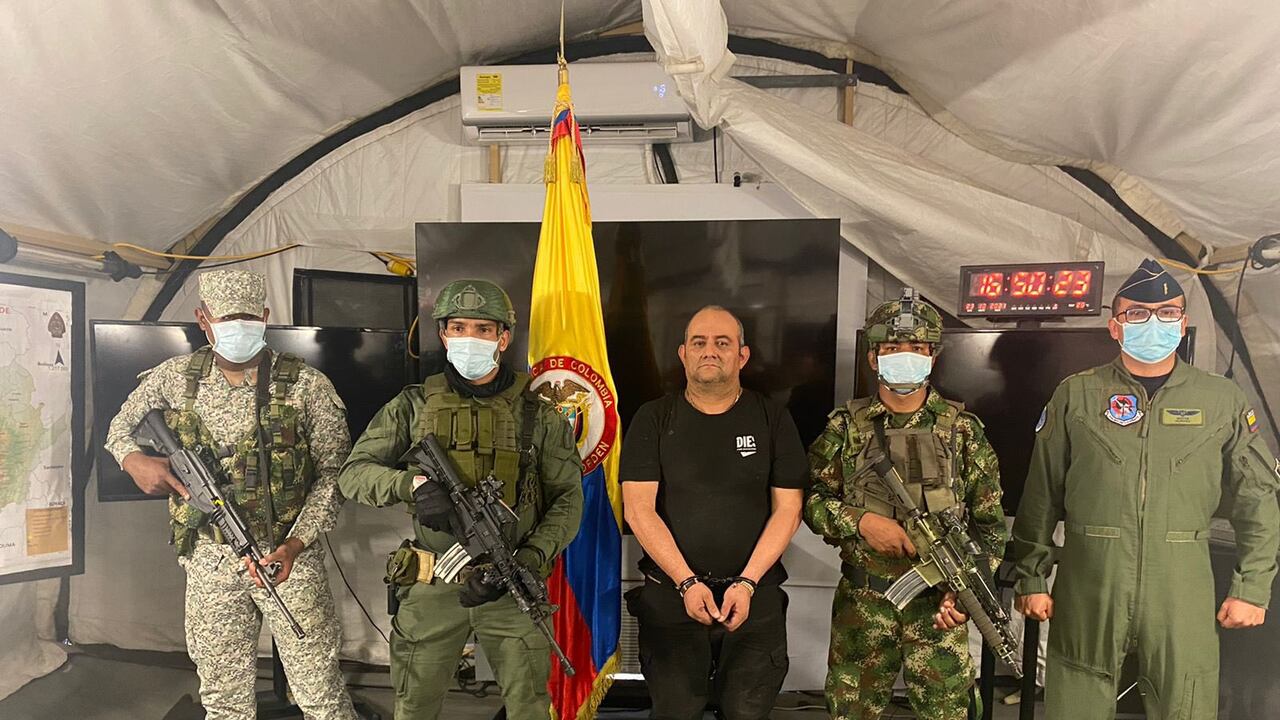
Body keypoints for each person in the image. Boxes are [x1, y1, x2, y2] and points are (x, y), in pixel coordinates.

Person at [1013, 258, 1280, 719]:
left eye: (1167, 312)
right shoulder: (1076, 395)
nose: (1153, 322)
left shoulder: (1221, 400)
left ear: (1182, 322)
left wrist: (1253, 587)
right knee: (1075, 699)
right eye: (1137, 313)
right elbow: (1041, 493)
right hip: (1090, 579)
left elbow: (1257, 498)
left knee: (1187, 701)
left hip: (1181, 582)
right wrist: (1032, 576)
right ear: (1115, 327)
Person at [105, 269, 357, 720]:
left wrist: (295, 544)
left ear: (265, 317)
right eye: (226, 319)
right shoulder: (175, 378)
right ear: (203, 319)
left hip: (288, 559)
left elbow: (333, 476)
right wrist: (132, 460)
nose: (239, 328)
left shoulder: (307, 385)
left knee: (322, 697)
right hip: (211, 560)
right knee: (224, 702)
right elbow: (120, 428)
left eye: (248, 318)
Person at [337, 279, 583, 720]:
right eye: (459, 327)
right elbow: (353, 475)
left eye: (483, 329)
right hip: (432, 585)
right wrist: (412, 486)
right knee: (415, 708)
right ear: (444, 335)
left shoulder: (539, 415)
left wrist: (529, 560)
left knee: (529, 709)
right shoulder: (412, 406)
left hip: (510, 583)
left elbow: (567, 500)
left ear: (503, 338)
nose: (470, 337)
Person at [805, 289, 1007, 720]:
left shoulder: (963, 432)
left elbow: (990, 528)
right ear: (873, 357)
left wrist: (963, 596)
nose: (905, 356)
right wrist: (861, 522)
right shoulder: (845, 429)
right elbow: (812, 501)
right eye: (893, 347)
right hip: (863, 604)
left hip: (938, 610)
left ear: (933, 356)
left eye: (916, 347)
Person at [621, 305, 807, 720]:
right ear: (683, 353)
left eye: (723, 343)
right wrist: (687, 582)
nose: (710, 351)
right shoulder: (653, 418)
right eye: (699, 342)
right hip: (671, 599)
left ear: (742, 356)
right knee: (674, 712)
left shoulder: (773, 419)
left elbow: (789, 510)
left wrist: (747, 583)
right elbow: (638, 510)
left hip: (754, 598)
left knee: (747, 713)